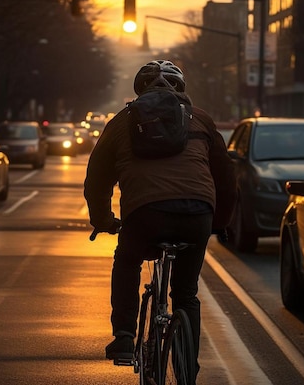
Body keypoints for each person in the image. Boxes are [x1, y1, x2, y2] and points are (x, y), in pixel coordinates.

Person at [83, 59, 236, 379]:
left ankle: (124, 336)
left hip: (144, 213)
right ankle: (188, 369)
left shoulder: (122, 121)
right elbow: (225, 179)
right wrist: (220, 223)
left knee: (127, 261)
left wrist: (103, 220)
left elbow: (97, 177)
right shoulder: (203, 121)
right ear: (183, 90)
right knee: (186, 294)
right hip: (197, 214)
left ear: (139, 90)